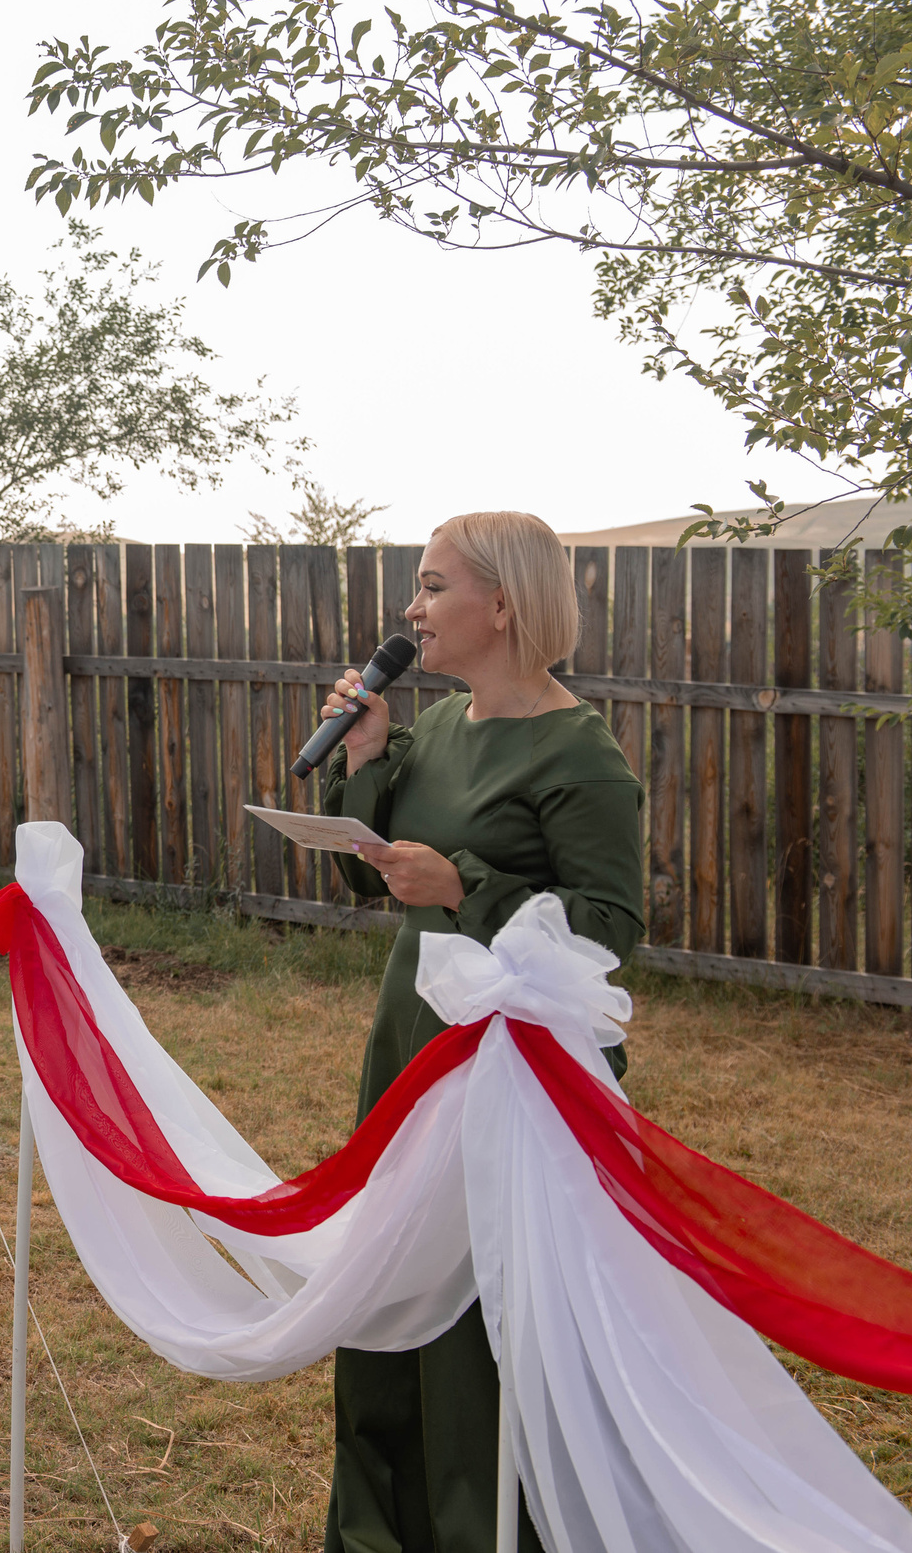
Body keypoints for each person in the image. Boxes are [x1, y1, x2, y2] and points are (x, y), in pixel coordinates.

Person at [314, 511, 644, 1553]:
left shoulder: (578, 753)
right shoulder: (438, 730)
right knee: (388, 1281)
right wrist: (363, 756)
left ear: (501, 604)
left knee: (473, 1314)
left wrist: (469, 887)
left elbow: (609, 927)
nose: (407, 611)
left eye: (429, 585)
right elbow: (361, 869)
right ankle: (375, 1530)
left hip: (513, 1064)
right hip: (411, 1032)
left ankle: (481, 1528)